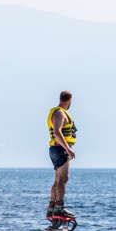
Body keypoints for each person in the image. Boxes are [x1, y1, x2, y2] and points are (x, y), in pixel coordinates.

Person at [46, 90, 77, 220]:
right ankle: (59, 208)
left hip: (56, 149)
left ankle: (52, 208)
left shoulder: (58, 112)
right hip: (60, 149)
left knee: (58, 180)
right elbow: (58, 133)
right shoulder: (59, 113)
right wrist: (68, 149)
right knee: (63, 180)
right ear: (69, 100)